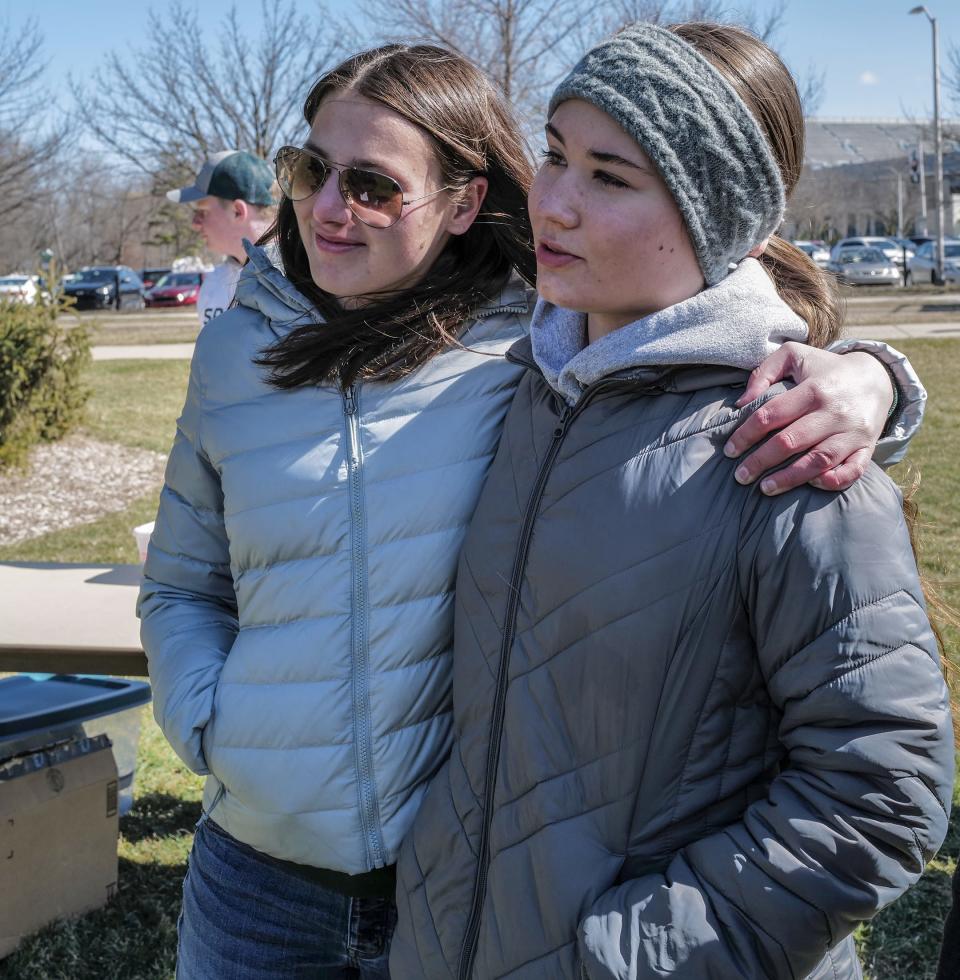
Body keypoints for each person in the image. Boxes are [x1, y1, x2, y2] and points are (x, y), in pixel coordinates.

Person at [140, 43, 929, 980]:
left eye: (374, 185)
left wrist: (872, 378)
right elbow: (183, 584)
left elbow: (875, 784)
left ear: (464, 202)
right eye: (310, 171)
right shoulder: (258, 356)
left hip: (467, 906)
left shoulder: (540, 364)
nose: (326, 206)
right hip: (273, 881)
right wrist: (214, 728)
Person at [390, 24, 954, 980]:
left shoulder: (785, 444)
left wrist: (623, 957)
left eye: (611, 176)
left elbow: (883, 788)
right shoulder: (521, 385)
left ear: (713, 218)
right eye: (557, 154)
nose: (554, 202)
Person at [166, 150, 276, 325]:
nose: (195, 223)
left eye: (203, 212)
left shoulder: (303, 280)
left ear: (238, 211)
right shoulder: (213, 284)